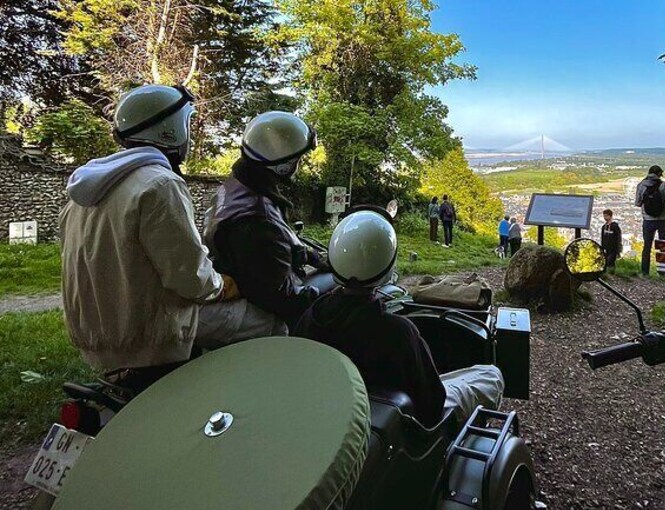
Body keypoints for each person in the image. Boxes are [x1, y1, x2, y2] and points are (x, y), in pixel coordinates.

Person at [59, 84, 264, 387]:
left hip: (96, 333)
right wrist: (223, 286)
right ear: (171, 129)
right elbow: (189, 278)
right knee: (268, 323)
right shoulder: (159, 184)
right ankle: (247, 400)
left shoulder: (90, 185)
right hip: (150, 333)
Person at [294, 210, 504, 427]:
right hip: (400, 429)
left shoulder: (311, 318)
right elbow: (432, 404)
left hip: (336, 416)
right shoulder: (398, 332)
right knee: (490, 375)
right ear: (388, 265)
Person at [204, 111, 330, 332]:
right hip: (264, 309)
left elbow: (277, 245)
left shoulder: (238, 187)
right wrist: (318, 299)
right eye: (297, 159)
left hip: (240, 279)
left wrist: (314, 257)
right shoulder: (258, 221)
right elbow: (280, 298)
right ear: (283, 164)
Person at [634, 165, 665, 276]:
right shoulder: (663, 185)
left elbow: (637, 203)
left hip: (648, 220)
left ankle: (644, 272)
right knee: (664, 246)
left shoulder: (641, 185)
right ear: (659, 174)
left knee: (647, 246)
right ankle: (664, 272)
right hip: (663, 220)